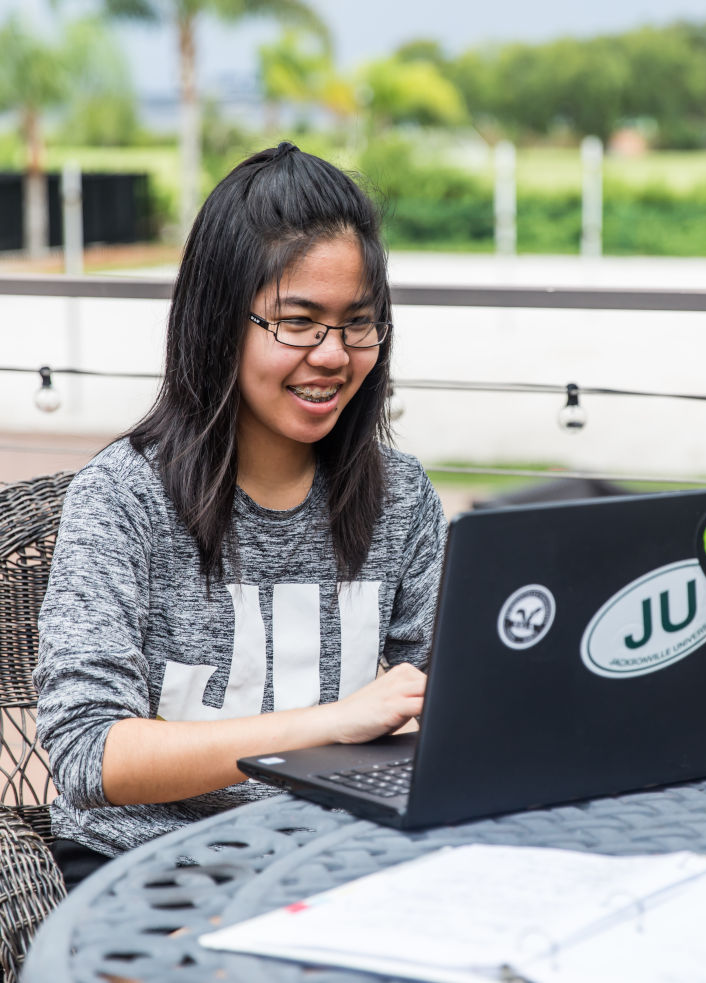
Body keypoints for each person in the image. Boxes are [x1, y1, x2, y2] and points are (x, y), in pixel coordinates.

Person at [34, 143, 447, 890]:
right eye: (299, 322)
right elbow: (90, 754)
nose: (334, 355)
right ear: (222, 319)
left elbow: (463, 699)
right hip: (147, 871)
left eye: (358, 323)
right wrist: (328, 723)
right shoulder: (124, 499)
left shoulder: (401, 497)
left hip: (337, 864)